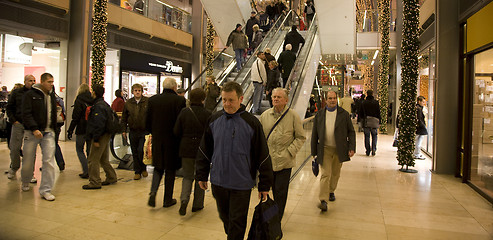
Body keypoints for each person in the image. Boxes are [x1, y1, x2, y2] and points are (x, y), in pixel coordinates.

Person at [196, 81, 273, 240]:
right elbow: (205, 149)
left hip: (241, 184)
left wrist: (264, 184)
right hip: (218, 182)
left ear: (241, 99)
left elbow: (263, 155)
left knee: (237, 222)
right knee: (226, 219)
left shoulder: (251, 123)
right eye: (224, 100)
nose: (227, 104)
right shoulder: (214, 120)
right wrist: (202, 175)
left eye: (231, 100)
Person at [259, 88, 305, 220]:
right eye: (274, 96)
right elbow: (260, 137)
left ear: (286, 100)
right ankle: (270, 214)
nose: (275, 99)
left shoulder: (293, 116)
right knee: (265, 191)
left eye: (279, 97)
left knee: (280, 192)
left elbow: (300, 137)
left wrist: (290, 152)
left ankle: (276, 219)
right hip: (268, 162)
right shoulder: (265, 116)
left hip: (285, 162)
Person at [311, 90, 355, 211]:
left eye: (334, 98)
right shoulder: (319, 115)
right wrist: (313, 152)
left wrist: (351, 147)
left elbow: (351, 131)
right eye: (330, 98)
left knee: (335, 173)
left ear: (337, 99)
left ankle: (331, 191)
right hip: (324, 149)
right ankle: (323, 200)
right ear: (326, 100)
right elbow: (314, 134)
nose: (332, 100)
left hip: (339, 149)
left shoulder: (344, 114)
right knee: (325, 174)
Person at [146, 77, 186, 208]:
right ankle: (167, 199)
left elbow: (147, 120)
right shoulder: (179, 100)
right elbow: (181, 121)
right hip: (173, 141)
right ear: (174, 87)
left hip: (158, 139)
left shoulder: (152, 100)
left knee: (158, 167)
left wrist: (152, 132)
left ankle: (153, 192)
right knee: (170, 170)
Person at [174, 88, 211, 216]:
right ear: (203, 99)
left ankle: (184, 200)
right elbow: (211, 135)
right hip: (202, 150)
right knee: (201, 177)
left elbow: (176, 131)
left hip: (186, 148)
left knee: (187, 176)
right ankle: (197, 204)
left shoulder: (184, 112)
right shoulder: (208, 114)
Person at [21, 73, 57, 201]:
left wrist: (54, 129)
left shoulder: (51, 95)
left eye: (52, 81)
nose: (51, 84)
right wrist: (34, 128)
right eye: (49, 81)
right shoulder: (30, 95)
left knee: (49, 161)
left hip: (48, 132)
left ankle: (46, 190)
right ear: (42, 82)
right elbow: (26, 113)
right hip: (32, 132)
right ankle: (25, 180)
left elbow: (53, 112)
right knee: (28, 159)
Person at [82, 85, 118, 190]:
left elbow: (99, 123)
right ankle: (111, 176)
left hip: (100, 135)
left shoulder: (98, 106)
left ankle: (94, 181)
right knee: (103, 159)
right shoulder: (104, 104)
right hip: (106, 134)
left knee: (93, 159)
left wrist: (96, 138)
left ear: (94, 93)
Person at [6, 75, 36, 183]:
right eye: (30, 81)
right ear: (25, 82)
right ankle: (14, 167)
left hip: (30, 125)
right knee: (14, 148)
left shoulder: (36, 94)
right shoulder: (16, 93)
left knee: (30, 151)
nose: (32, 83)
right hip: (18, 123)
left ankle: (30, 173)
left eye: (34, 81)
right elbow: (9, 107)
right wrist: (13, 120)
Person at [122, 83, 149, 180]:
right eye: (136, 91)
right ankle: (137, 171)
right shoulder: (128, 103)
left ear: (142, 91)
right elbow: (124, 117)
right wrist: (123, 130)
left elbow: (151, 116)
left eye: (139, 90)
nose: (137, 92)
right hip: (133, 130)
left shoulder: (147, 102)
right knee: (134, 151)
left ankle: (143, 168)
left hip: (144, 130)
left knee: (141, 150)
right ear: (133, 92)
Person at [67, 83, 93, 179]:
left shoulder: (79, 100)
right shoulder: (93, 100)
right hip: (91, 129)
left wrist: (70, 130)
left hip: (81, 128)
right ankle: (92, 171)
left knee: (79, 149)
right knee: (90, 151)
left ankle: (86, 171)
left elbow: (75, 117)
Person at [359, 90, 380, 156]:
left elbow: (361, 112)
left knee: (367, 136)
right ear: (372, 94)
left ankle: (368, 150)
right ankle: (373, 148)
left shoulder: (364, 102)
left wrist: (360, 120)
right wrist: (380, 121)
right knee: (374, 136)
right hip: (374, 121)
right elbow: (378, 112)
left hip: (366, 121)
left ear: (367, 94)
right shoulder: (376, 102)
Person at [54, 88, 66, 172]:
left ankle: (47, 164)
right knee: (55, 143)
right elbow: (64, 111)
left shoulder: (48, 99)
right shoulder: (59, 99)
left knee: (48, 145)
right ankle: (60, 162)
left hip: (50, 125)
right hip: (58, 123)